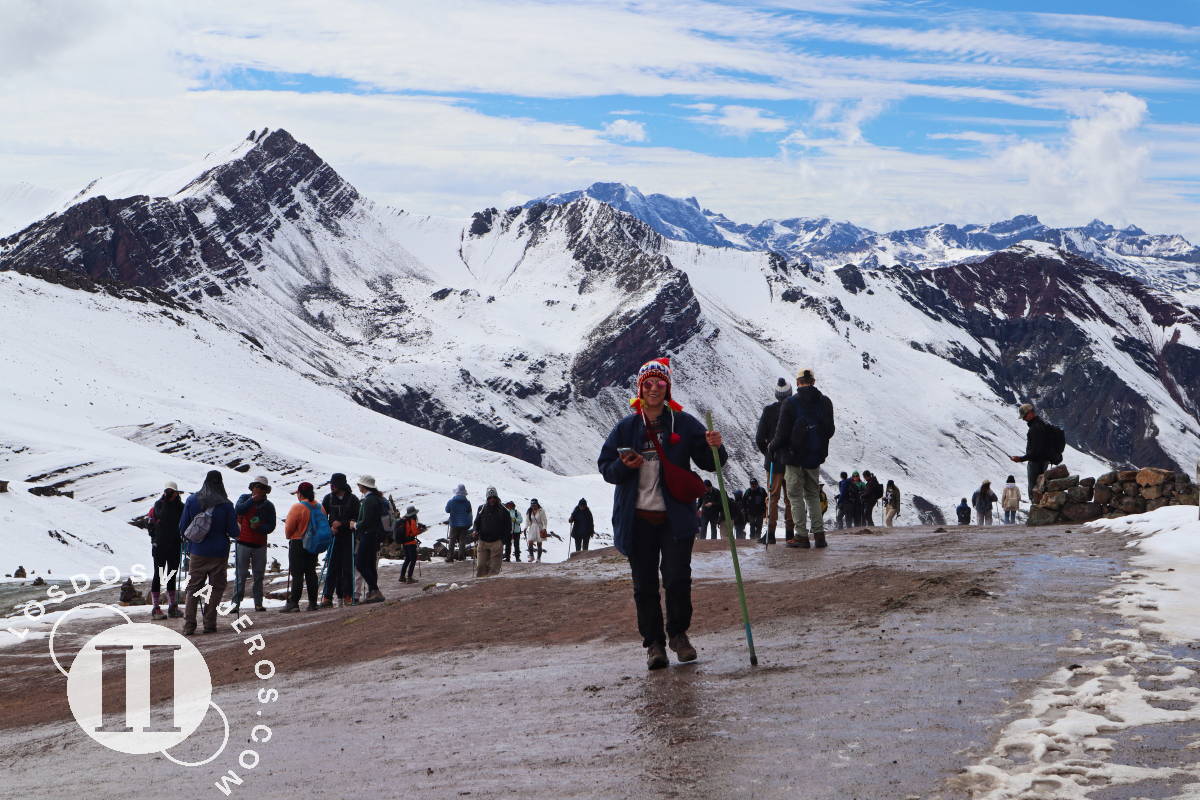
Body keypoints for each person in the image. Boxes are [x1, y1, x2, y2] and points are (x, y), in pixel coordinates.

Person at [598, 356, 726, 670]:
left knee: (677, 579)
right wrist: (622, 466)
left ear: (667, 388)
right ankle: (654, 644)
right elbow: (606, 470)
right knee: (644, 585)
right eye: (648, 384)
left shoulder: (683, 424)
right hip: (637, 518)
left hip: (675, 518)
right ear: (640, 388)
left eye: (660, 383)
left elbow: (712, 464)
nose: (654, 388)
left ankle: (678, 636)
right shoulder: (626, 428)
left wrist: (715, 446)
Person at [769, 368, 835, 549]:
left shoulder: (790, 403)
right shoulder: (825, 402)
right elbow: (830, 431)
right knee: (813, 494)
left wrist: (771, 447)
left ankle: (801, 536)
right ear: (813, 381)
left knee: (795, 496)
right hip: (814, 457)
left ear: (798, 383)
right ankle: (819, 535)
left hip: (794, 457)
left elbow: (781, 434)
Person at [178, 470, 238, 634]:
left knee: (193, 588)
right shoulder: (226, 505)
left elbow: (183, 528)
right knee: (216, 587)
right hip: (219, 551)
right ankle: (209, 623)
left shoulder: (191, 500)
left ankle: (189, 625)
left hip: (197, 550)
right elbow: (234, 532)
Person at [755, 378, 795, 543]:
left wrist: (768, 453)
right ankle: (790, 534)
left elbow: (759, 438)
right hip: (792, 461)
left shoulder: (769, 411)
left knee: (772, 497)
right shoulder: (795, 410)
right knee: (791, 498)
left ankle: (770, 534)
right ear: (790, 393)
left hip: (773, 462)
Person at [231, 476, 276, 615]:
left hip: (259, 544)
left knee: (258, 575)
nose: (258, 489)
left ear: (265, 491)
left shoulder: (269, 506)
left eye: (262, 487)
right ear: (252, 487)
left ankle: (258, 603)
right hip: (243, 542)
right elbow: (238, 509)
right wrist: (251, 500)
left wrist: (259, 528)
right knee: (241, 574)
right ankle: (235, 604)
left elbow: (271, 526)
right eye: (257, 486)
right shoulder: (244, 499)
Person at [320, 473, 359, 608]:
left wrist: (341, 524)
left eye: (334, 484)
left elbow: (356, 518)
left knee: (347, 567)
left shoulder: (353, 499)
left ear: (341, 485)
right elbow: (322, 517)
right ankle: (328, 597)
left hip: (348, 537)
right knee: (332, 566)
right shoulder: (328, 499)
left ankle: (347, 594)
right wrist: (329, 528)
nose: (331, 486)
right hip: (334, 536)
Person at [281, 482, 321, 612]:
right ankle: (313, 603)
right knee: (311, 572)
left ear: (300, 494)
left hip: (298, 542)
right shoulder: (319, 507)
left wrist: (290, 535)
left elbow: (289, 529)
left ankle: (294, 603)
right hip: (313, 543)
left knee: (297, 574)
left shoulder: (298, 507)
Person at [1009, 403, 1063, 496]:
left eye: (1024, 416)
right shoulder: (1042, 423)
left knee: (1034, 490)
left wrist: (1020, 459)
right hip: (1045, 461)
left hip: (1035, 463)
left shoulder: (1034, 428)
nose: (1024, 419)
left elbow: (1035, 451)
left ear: (1030, 413)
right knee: (1042, 488)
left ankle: (1035, 506)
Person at [149, 481, 184, 620]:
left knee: (172, 574)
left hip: (173, 544)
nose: (169, 493)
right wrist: (167, 501)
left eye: (171, 491)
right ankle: (156, 607)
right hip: (161, 544)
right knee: (159, 574)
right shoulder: (159, 504)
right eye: (167, 491)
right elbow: (163, 516)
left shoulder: (181, 507)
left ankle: (172, 606)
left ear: (176, 493)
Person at [355, 475, 386, 603]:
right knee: (370, 564)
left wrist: (355, 525)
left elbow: (366, 521)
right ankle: (373, 592)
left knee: (361, 563)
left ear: (364, 486)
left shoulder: (369, 500)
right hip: (376, 536)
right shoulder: (378, 499)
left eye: (359, 485)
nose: (358, 487)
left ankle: (375, 590)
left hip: (368, 535)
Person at [473, 487, 509, 577]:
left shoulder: (504, 510)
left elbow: (508, 527)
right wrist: (475, 531)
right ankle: (481, 587)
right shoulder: (481, 509)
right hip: (482, 541)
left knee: (494, 569)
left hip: (497, 542)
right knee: (481, 567)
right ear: (487, 498)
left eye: (494, 497)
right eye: (490, 497)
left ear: (497, 497)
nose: (492, 499)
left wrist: (502, 541)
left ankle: (491, 589)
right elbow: (476, 522)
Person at [445, 484, 473, 562]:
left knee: (452, 540)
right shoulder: (467, 502)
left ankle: (450, 557)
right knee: (462, 541)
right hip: (464, 525)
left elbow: (447, 510)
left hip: (454, 524)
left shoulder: (451, 501)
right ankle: (461, 557)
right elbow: (469, 512)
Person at [398, 506, 421, 583]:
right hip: (411, 543)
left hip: (404, 543)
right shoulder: (412, 520)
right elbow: (414, 532)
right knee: (413, 559)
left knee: (407, 559)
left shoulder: (404, 520)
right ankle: (409, 578)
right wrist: (420, 529)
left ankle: (402, 576)